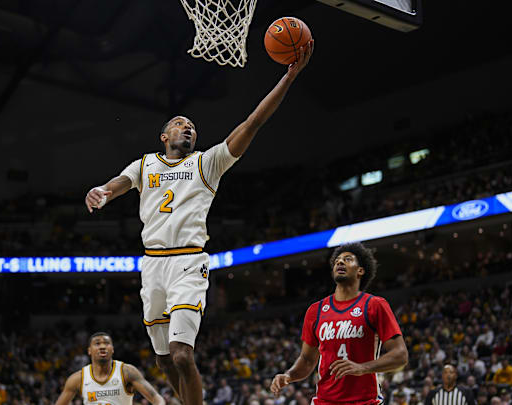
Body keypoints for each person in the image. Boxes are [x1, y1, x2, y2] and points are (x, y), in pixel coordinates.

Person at [84, 38, 314, 405]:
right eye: (179, 124)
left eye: (191, 126)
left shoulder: (207, 163)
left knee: (181, 353)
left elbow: (253, 123)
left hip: (189, 262)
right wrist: (102, 191)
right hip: (152, 265)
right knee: (163, 358)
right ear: (164, 137)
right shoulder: (145, 164)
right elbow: (119, 183)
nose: (187, 128)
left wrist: (288, 78)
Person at [270, 242, 408, 405]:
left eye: (348, 259)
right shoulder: (316, 311)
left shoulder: (374, 305)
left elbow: (400, 354)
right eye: (337, 261)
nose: (340, 262)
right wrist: (289, 375)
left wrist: (362, 368)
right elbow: (307, 360)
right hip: (324, 401)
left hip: (364, 401)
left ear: (360, 270)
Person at [55, 332, 165, 405]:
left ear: (112, 349)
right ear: (89, 350)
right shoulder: (78, 378)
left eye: (106, 343)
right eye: (97, 343)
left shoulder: (127, 372)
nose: (102, 346)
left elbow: (157, 399)